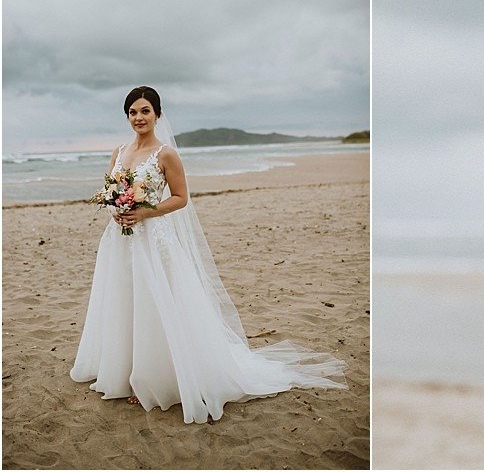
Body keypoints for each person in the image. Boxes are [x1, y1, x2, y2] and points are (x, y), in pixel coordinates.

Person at [70, 87, 345, 423]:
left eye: (145, 111)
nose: (139, 118)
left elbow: (181, 198)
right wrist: (116, 208)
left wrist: (144, 212)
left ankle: (152, 378)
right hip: (119, 239)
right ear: (126, 116)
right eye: (132, 112)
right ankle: (122, 370)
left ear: (157, 114)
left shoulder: (165, 154)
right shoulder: (119, 151)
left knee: (154, 304)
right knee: (124, 300)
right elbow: (112, 191)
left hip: (153, 239)